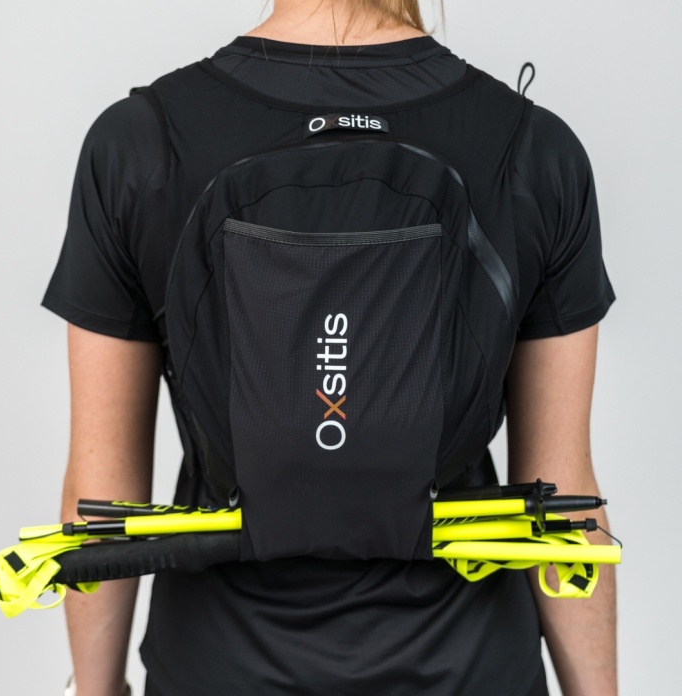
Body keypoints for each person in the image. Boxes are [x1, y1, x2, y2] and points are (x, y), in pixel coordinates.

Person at [44, 1, 618, 694]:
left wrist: (96, 688)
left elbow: (100, 500)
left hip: (217, 665)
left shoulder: (140, 145)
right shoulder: (532, 150)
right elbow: (565, 503)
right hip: (467, 666)